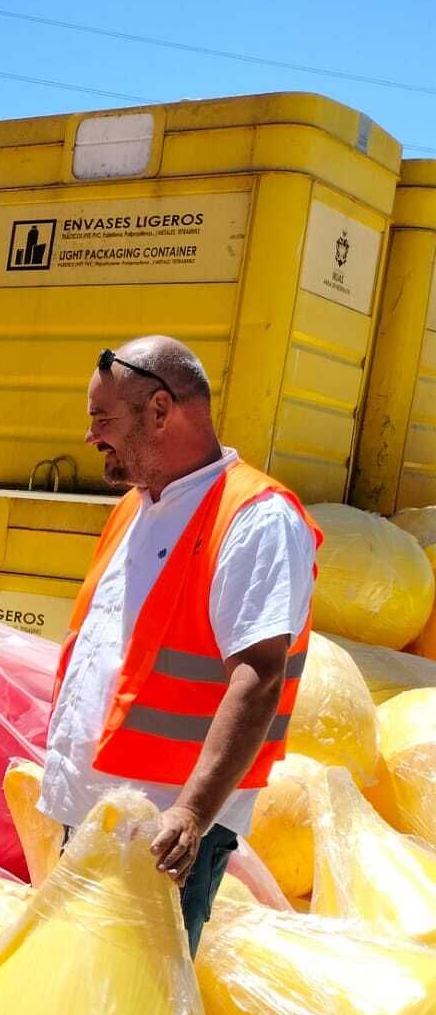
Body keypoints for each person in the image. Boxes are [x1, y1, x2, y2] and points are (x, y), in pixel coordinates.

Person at [40, 336, 320, 952]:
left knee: (140, 1001)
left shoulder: (257, 518)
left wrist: (192, 814)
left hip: (164, 835)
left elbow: (259, 677)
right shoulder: (136, 508)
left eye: (103, 419)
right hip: (95, 816)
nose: (90, 436)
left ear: (161, 410)